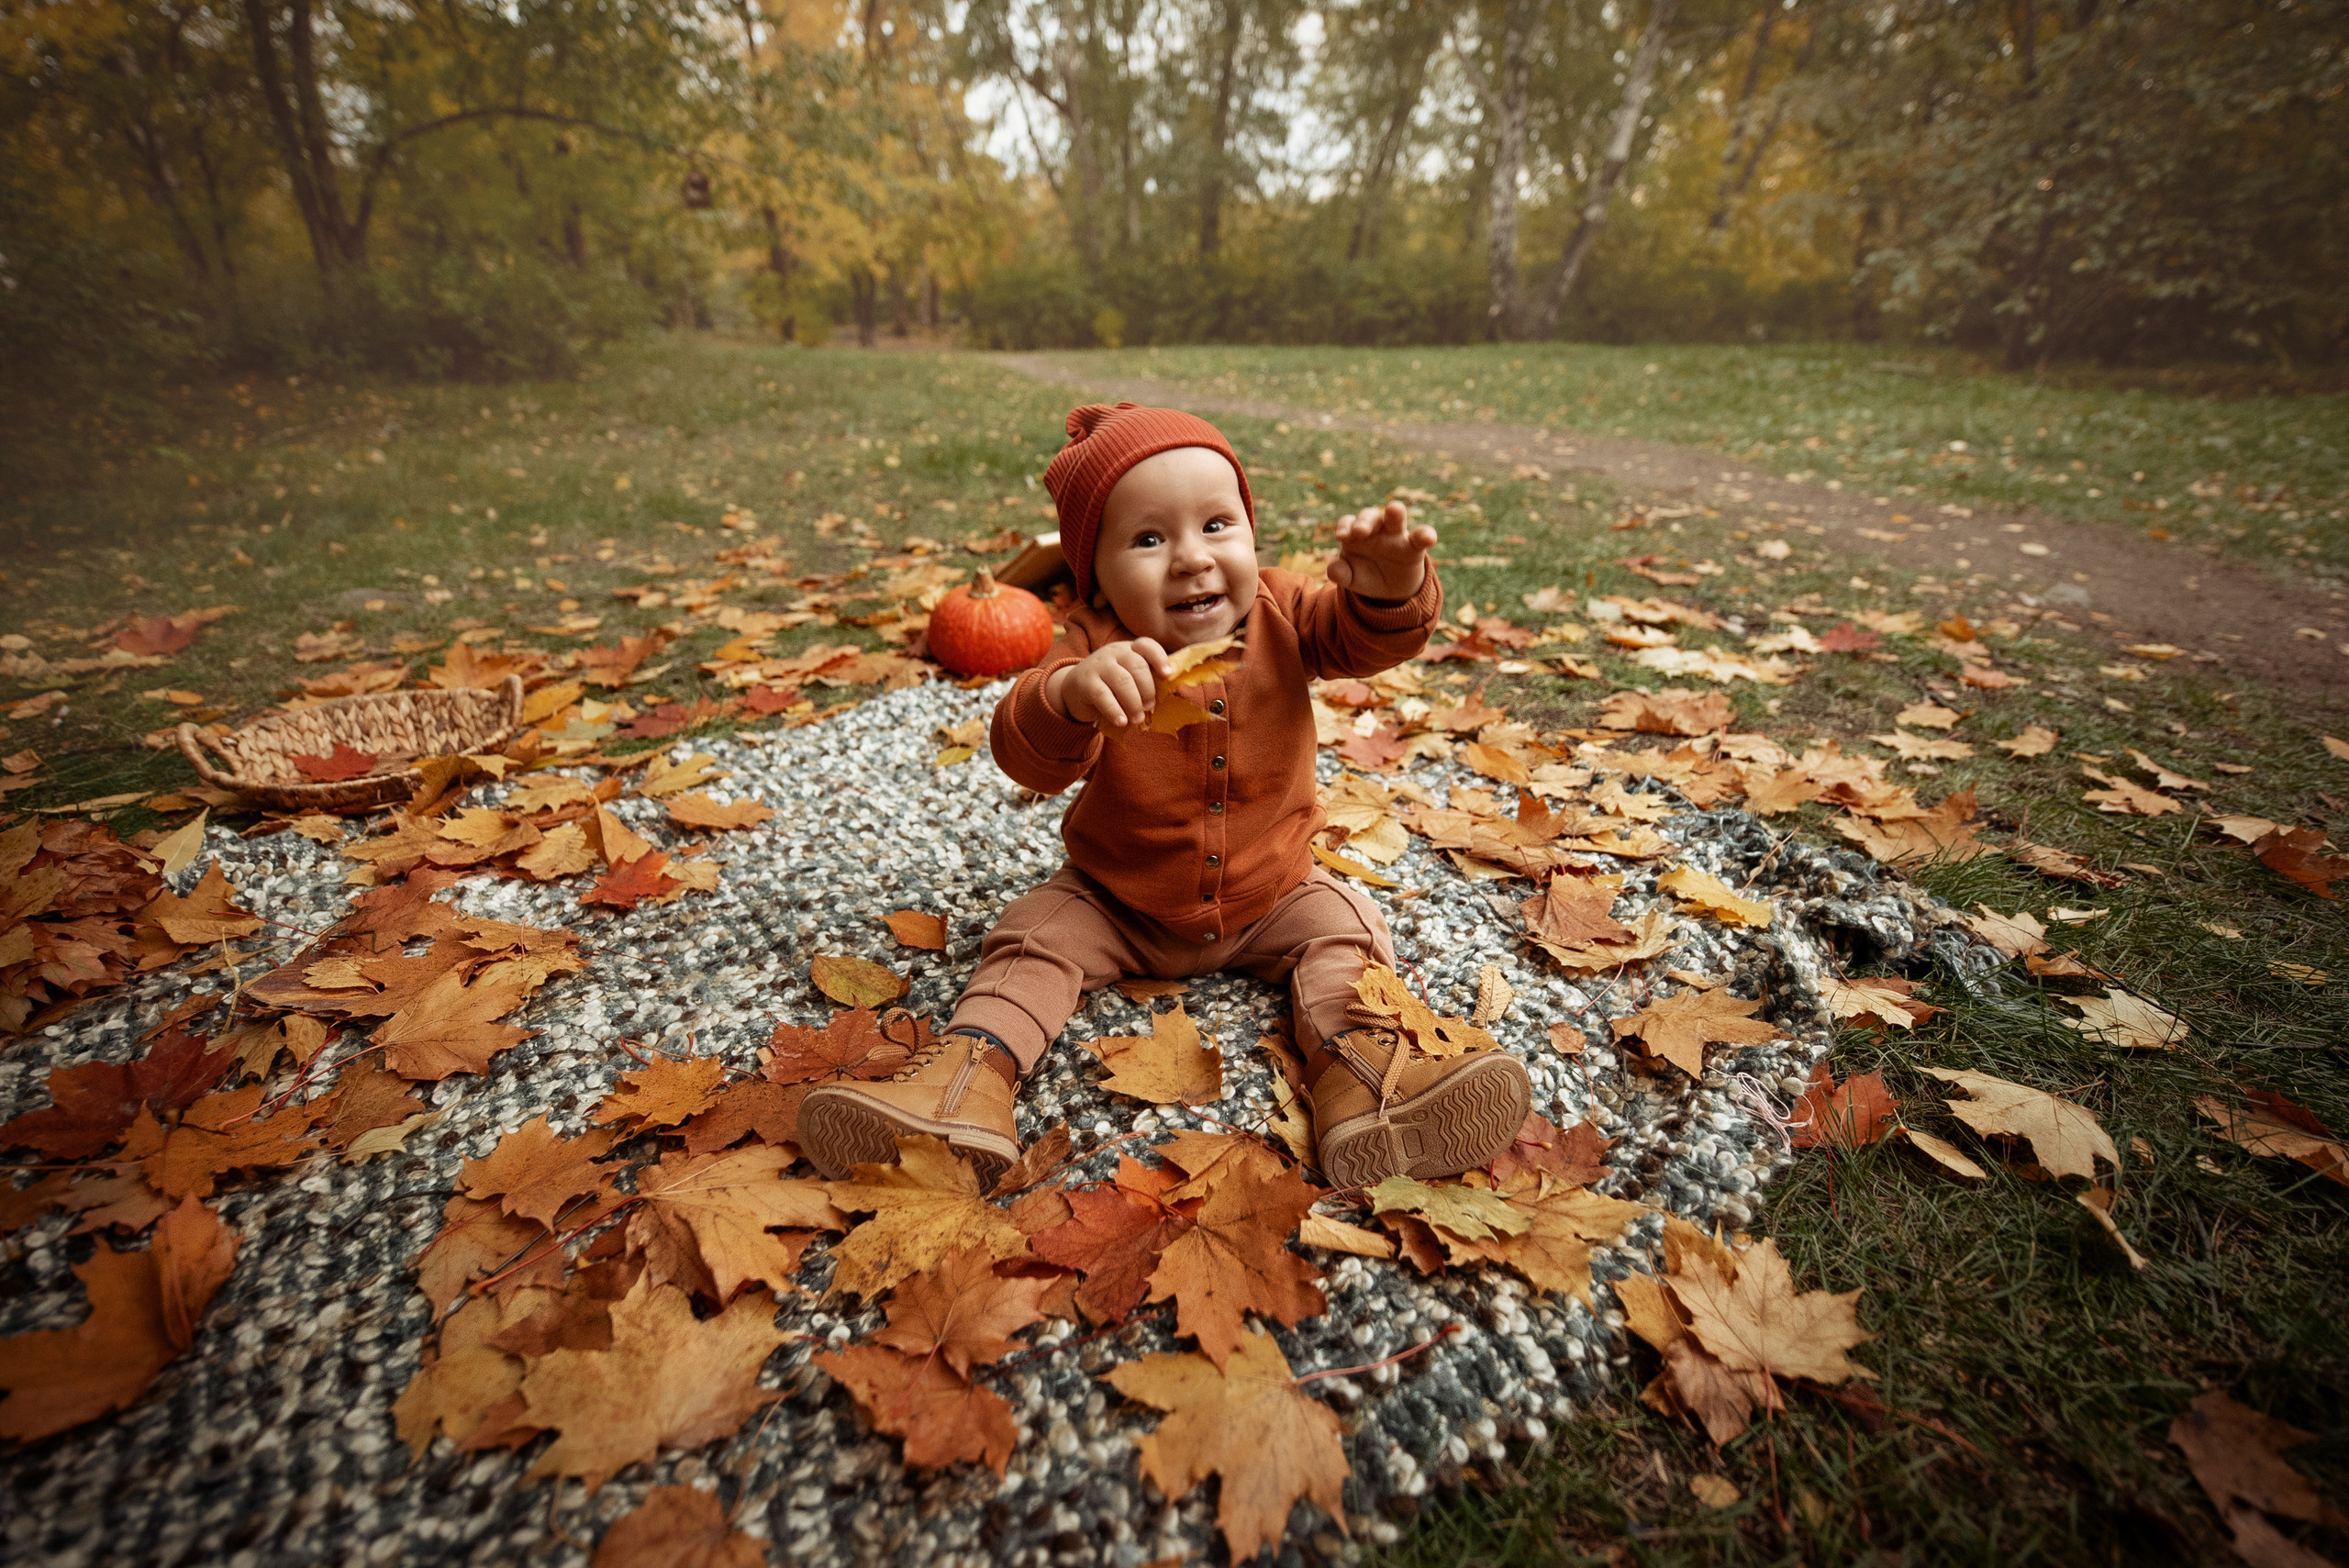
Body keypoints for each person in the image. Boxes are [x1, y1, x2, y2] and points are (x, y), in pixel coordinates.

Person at [798, 402, 1531, 1188]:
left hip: (1274, 893)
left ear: (1251, 534)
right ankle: (961, 1087)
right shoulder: (1092, 645)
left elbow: (1363, 638)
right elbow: (1026, 752)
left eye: (1217, 525)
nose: (1191, 558)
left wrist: (1391, 591)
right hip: (1117, 900)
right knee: (1032, 936)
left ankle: (1369, 1083)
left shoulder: (1286, 611)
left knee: (1347, 928)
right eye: (1148, 540)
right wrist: (1070, 696)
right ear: (1098, 576)